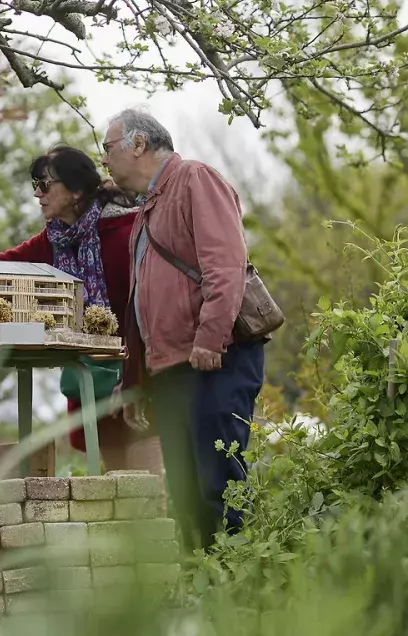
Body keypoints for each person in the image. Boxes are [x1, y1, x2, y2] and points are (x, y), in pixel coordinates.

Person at [101, 108, 265, 551]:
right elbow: (142, 307)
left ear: (138, 145)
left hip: (215, 360)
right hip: (174, 371)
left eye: (108, 148)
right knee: (188, 493)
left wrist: (211, 338)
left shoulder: (195, 178)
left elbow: (225, 266)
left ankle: (241, 588)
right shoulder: (146, 212)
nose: (104, 160)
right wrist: (135, 380)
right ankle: (202, 590)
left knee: (220, 485)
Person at [0, 145, 165, 481]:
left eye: (46, 185)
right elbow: (5, 264)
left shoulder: (128, 231)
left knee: (151, 485)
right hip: (94, 378)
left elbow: (157, 305)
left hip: (142, 377)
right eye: (36, 185)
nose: (37, 193)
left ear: (76, 189)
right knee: (117, 488)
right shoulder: (56, 239)